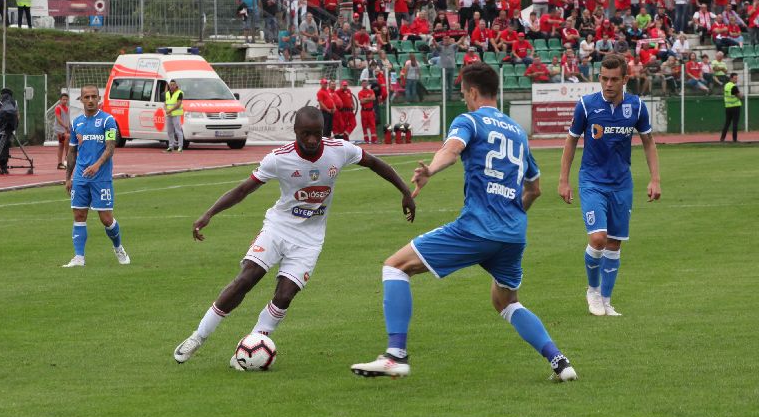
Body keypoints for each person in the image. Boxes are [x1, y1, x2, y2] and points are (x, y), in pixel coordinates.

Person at [350, 63, 577, 382]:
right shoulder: (517, 132)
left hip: (476, 228)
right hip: (513, 233)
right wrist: (511, 216)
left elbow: (452, 150)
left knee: (395, 267)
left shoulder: (469, 120)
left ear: (472, 92)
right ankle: (560, 362)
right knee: (506, 301)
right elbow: (535, 188)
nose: (464, 98)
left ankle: (395, 355)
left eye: (463, 93)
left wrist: (430, 169)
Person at [173, 106, 415, 366]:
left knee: (285, 295)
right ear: (296, 132)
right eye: (306, 134)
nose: (312, 140)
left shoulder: (339, 149)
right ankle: (198, 337)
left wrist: (405, 191)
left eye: (317, 134)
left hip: (310, 239)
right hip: (278, 228)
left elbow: (376, 164)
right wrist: (209, 214)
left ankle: (253, 344)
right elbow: (244, 189)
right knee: (247, 278)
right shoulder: (279, 158)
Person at [558, 53, 661, 318]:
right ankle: (592, 290)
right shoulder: (586, 105)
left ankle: (606, 300)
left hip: (621, 183)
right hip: (592, 180)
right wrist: (563, 180)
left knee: (614, 244)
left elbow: (648, 142)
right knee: (598, 238)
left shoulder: (636, 107)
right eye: (604, 78)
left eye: (614, 79)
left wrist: (655, 178)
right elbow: (571, 141)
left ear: (625, 79)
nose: (608, 84)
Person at [62, 85, 129, 268]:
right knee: (79, 214)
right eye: (87, 97)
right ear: (81, 100)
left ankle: (118, 248)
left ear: (99, 99)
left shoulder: (108, 121)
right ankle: (79, 258)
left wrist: (97, 165)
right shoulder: (77, 123)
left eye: (94, 97)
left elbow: (110, 147)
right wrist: (68, 177)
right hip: (81, 177)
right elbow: (72, 151)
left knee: (106, 219)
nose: (90, 100)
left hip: (101, 177)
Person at [164, 79, 184, 152]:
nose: (172, 86)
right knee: (169, 131)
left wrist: (170, 110)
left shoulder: (180, 93)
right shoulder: (167, 93)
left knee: (178, 130)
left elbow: (178, 104)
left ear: (176, 85)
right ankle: (171, 146)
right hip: (169, 114)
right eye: (170, 85)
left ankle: (180, 147)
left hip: (176, 114)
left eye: (173, 85)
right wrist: (166, 110)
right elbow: (165, 103)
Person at [721, 73, 742, 143]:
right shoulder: (734, 87)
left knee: (727, 123)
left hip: (728, 107)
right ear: (731, 78)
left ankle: (722, 138)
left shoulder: (726, 85)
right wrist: (741, 94)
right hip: (735, 106)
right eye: (735, 78)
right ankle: (734, 139)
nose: (736, 79)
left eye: (736, 78)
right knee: (735, 124)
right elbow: (740, 96)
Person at [54, 89, 72, 169]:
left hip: (65, 129)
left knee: (61, 145)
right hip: (60, 129)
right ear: (60, 100)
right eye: (63, 99)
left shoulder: (67, 108)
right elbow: (58, 119)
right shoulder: (58, 108)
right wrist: (65, 126)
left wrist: (70, 126)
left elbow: (67, 119)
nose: (65, 101)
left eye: (66, 99)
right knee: (67, 138)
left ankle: (60, 163)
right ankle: (67, 157)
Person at [358, 79, 377, 144]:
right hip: (364, 111)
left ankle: (374, 140)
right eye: (363, 83)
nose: (364, 85)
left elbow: (374, 98)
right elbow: (361, 101)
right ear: (362, 84)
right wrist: (369, 99)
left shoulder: (371, 91)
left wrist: (365, 99)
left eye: (365, 83)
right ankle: (366, 140)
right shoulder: (360, 92)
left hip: (370, 111)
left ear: (367, 84)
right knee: (364, 125)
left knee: (372, 125)